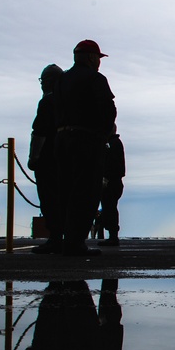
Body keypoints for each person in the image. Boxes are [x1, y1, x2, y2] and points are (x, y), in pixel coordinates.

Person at [53, 40, 117, 256]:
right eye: (98, 58)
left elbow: (55, 109)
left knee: (64, 189)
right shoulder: (95, 79)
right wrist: (103, 134)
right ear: (91, 58)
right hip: (87, 140)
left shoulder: (61, 80)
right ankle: (75, 241)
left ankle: (62, 238)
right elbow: (108, 111)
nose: (99, 63)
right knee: (86, 191)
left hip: (62, 140)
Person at [29, 64, 65, 253]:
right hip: (66, 157)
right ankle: (66, 236)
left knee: (49, 198)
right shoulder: (69, 102)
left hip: (48, 159)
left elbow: (39, 133)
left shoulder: (46, 103)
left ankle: (56, 237)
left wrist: (33, 157)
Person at [98, 125, 125, 247]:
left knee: (109, 207)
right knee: (109, 207)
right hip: (113, 181)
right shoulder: (114, 143)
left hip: (111, 181)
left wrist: (106, 177)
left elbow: (111, 164)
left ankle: (113, 236)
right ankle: (112, 235)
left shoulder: (112, 144)